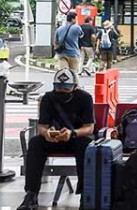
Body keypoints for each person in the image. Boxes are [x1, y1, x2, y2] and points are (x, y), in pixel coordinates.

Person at [17, 69, 94, 210]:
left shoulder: (85, 98)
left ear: (75, 86)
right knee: (35, 143)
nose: (62, 91)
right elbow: (42, 126)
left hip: (76, 138)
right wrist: (47, 133)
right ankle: (31, 194)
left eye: (66, 88)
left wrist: (72, 133)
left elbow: (89, 128)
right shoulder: (48, 98)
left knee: (86, 146)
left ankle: (85, 193)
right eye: (59, 88)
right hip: (54, 139)